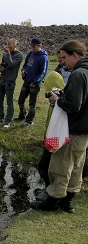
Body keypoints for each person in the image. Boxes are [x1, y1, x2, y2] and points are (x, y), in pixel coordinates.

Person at [31, 40, 88, 213]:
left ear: (74, 55)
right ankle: (67, 202)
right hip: (84, 132)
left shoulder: (78, 74)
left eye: (64, 57)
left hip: (73, 129)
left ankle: (51, 204)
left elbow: (73, 105)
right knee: (76, 167)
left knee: (60, 167)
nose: (61, 61)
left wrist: (58, 99)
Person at [14, 37, 48, 127]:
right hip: (27, 81)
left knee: (32, 103)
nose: (32, 48)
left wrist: (35, 82)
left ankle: (29, 121)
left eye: (34, 46)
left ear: (39, 46)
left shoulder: (43, 58)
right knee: (21, 100)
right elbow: (25, 65)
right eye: (31, 46)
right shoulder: (30, 54)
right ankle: (22, 115)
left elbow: (43, 72)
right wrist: (23, 70)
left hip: (35, 84)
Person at [0, 39, 23, 128]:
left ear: (15, 46)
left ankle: (8, 121)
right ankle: (0, 117)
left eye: (11, 47)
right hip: (2, 79)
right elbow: (4, 63)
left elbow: (12, 64)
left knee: (9, 102)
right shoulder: (5, 54)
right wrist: (1, 67)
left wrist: (8, 54)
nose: (9, 48)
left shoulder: (19, 55)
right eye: (8, 46)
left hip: (10, 81)